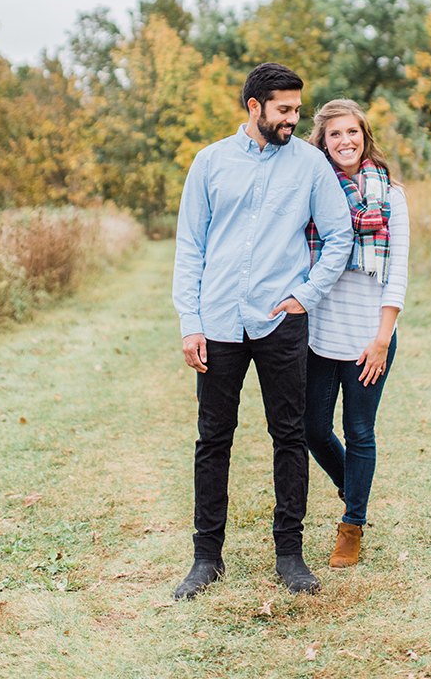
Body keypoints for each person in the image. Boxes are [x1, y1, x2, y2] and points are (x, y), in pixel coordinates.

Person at [172, 63, 353, 600]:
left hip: (280, 321)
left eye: (298, 110)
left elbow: (339, 236)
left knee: (290, 435)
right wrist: (191, 323)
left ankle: (289, 556)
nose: (294, 119)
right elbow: (190, 248)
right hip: (220, 321)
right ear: (254, 107)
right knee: (213, 439)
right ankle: (207, 559)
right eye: (284, 110)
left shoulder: (310, 166)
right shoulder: (209, 163)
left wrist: (305, 297)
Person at [304, 98, 409, 569]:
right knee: (312, 428)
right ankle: (356, 484)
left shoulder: (392, 196)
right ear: (322, 144)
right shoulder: (311, 194)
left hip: (370, 334)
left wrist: (383, 338)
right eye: (335, 135)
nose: (345, 141)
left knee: (359, 430)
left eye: (353, 133)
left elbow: (398, 273)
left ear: (364, 138)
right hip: (321, 334)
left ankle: (352, 525)